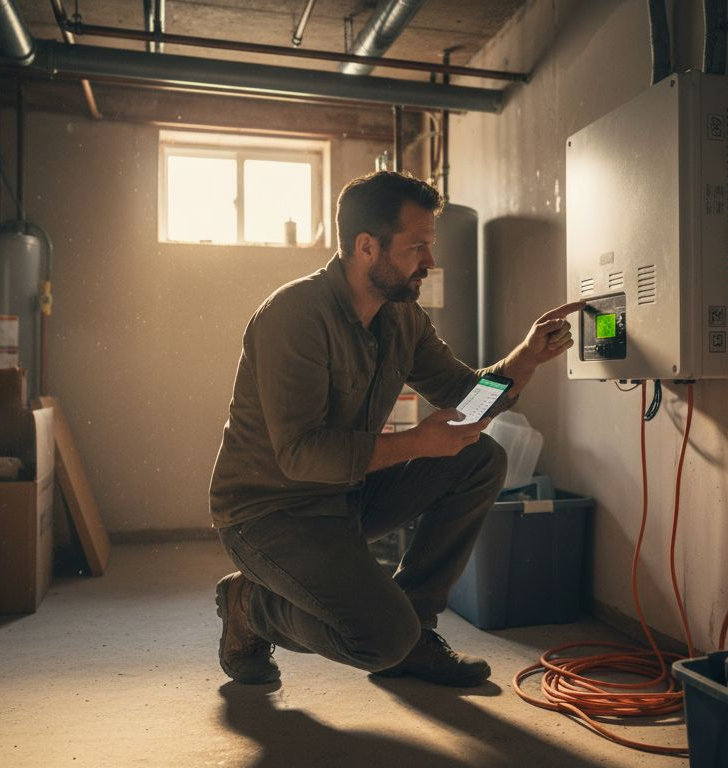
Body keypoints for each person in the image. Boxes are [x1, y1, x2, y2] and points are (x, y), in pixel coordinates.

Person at [209, 170, 583, 687]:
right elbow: (300, 456)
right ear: (366, 247)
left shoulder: (402, 318)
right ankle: (250, 605)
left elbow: (463, 400)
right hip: (269, 513)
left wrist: (525, 359)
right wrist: (415, 443)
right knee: (378, 640)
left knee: (480, 459)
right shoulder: (294, 316)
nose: (430, 261)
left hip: (345, 496)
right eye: (417, 247)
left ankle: (416, 627)